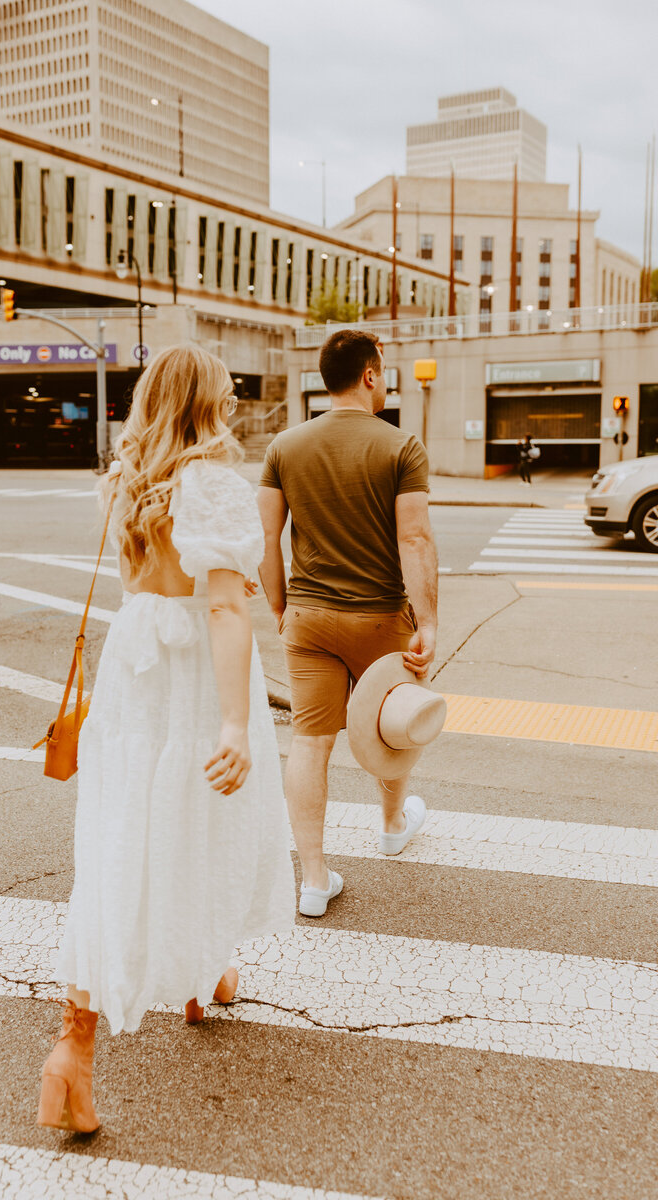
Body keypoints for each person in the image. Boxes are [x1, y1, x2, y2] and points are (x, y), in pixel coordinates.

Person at [38, 345, 296, 1133]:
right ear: (207, 403)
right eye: (225, 395)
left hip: (135, 666)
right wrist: (231, 721)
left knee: (125, 834)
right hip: (190, 675)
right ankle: (193, 975)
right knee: (205, 818)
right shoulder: (214, 484)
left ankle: (84, 1046)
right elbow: (222, 609)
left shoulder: (126, 477)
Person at [257, 330, 438, 918]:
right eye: (382, 372)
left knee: (310, 743)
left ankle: (312, 880)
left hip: (308, 617)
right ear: (367, 375)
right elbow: (413, 537)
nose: (385, 382)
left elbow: (268, 540)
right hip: (380, 617)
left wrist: (282, 607)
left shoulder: (284, 446)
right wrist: (428, 620)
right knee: (391, 723)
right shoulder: (401, 446)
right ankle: (390, 825)